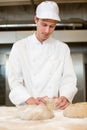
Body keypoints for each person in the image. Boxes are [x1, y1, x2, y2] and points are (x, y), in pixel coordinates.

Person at [7, 1, 78, 109]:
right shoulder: (20, 47)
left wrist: (65, 97)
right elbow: (15, 81)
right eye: (44, 25)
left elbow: (69, 79)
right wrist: (29, 99)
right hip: (28, 108)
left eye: (52, 26)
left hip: (54, 108)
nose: (47, 30)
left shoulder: (62, 48)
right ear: (36, 20)